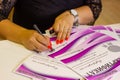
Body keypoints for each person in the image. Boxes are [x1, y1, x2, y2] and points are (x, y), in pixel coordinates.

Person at [0, 0, 102, 52]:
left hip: (73, 47)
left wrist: (72, 15)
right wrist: (22, 35)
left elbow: (94, 7)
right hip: (27, 48)